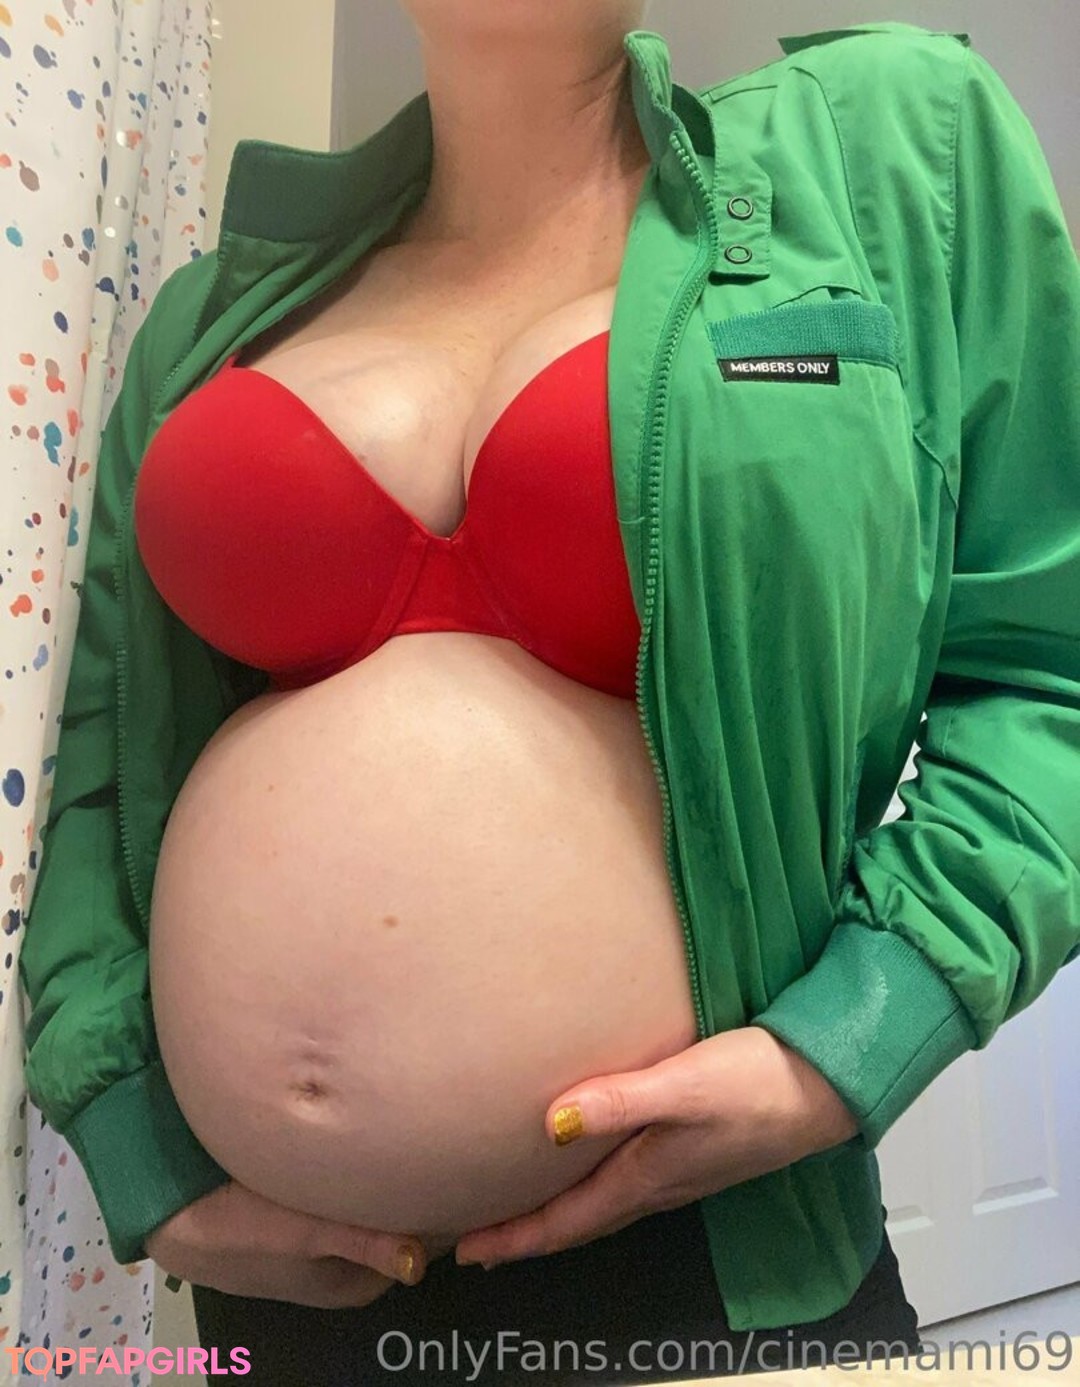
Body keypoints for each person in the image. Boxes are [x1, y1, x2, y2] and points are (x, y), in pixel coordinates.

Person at [19, 2, 1080, 1383]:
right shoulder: (210, 322)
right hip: (281, 1291)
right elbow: (101, 762)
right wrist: (137, 1150)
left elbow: (1049, 670)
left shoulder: (892, 146)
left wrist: (850, 1042)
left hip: (708, 1267)